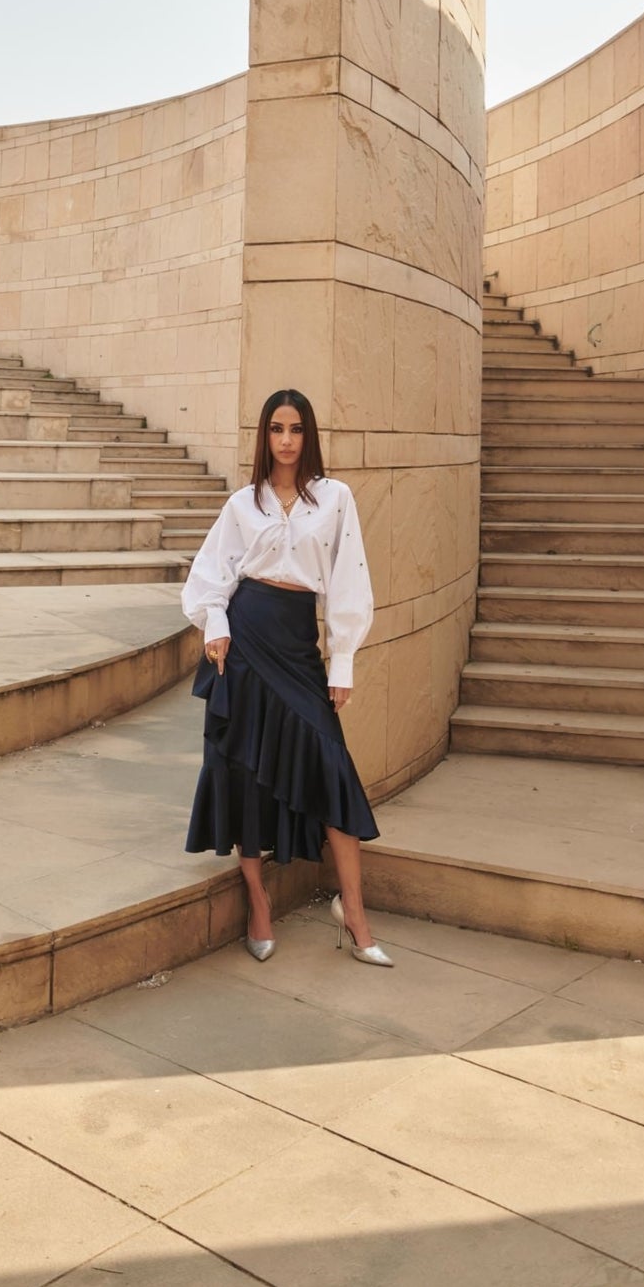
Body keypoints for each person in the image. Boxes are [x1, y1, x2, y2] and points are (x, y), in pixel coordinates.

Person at [181, 388, 392, 968]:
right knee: (244, 772)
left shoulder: (335, 498)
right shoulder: (242, 504)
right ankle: (259, 904)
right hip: (245, 643)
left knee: (334, 770)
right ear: (264, 436)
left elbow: (351, 582)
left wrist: (342, 659)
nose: (287, 440)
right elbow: (208, 579)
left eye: (296, 429)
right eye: (277, 429)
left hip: (299, 646)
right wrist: (216, 626)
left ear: (309, 435)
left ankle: (354, 915)